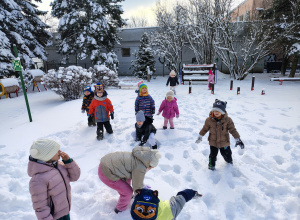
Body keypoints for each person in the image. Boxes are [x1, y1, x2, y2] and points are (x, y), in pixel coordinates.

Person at [98, 146, 162, 213]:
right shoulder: (140, 167)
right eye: (151, 167)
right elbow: (137, 186)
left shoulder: (141, 155)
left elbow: (135, 178)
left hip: (107, 162)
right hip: (106, 173)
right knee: (128, 192)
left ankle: (126, 197)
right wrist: (140, 198)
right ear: (149, 164)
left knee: (127, 180)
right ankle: (119, 209)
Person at [28, 139, 81, 220]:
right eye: (56, 151)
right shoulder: (38, 179)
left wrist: (68, 162)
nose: (60, 151)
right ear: (48, 156)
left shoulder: (59, 165)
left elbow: (75, 177)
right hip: (54, 217)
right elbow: (40, 207)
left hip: (65, 211)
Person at [195, 99, 244, 170]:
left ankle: (229, 162)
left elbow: (233, 130)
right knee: (212, 155)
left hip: (224, 142)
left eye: (218, 111)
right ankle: (211, 165)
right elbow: (204, 129)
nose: (216, 112)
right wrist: (200, 136)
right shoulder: (209, 120)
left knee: (227, 154)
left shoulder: (228, 120)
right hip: (213, 142)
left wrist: (238, 139)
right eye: (215, 110)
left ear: (223, 111)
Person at [131, 188, 201, 220]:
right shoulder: (170, 211)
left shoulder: (169, 211)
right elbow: (182, 197)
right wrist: (192, 193)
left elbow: (181, 198)